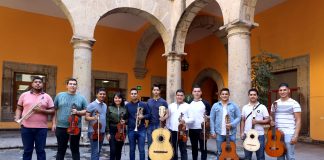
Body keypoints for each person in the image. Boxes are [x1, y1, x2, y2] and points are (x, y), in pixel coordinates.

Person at [14, 76, 55, 160]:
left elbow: (53, 111)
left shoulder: (47, 96)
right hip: (26, 128)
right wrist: (17, 117)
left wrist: (41, 110)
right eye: (36, 82)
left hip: (41, 128)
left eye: (40, 82)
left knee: (40, 151)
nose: (38, 84)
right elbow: (19, 108)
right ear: (32, 84)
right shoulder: (24, 95)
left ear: (42, 84)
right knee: (27, 150)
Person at [52, 78, 87, 160]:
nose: (72, 85)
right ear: (66, 85)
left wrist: (77, 112)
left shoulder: (81, 98)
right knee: (61, 149)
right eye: (70, 84)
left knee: (75, 149)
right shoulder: (59, 95)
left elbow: (86, 111)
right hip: (61, 127)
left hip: (75, 128)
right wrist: (54, 123)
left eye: (74, 84)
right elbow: (54, 110)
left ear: (76, 86)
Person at [270, 83, 301, 160]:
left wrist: (295, 135)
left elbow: (298, 120)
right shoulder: (275, 103)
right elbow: (272, 116)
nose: (282, 92)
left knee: (290, 156)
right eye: (280, 90)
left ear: (289, 91)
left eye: (284, 90)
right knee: (279, 155)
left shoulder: (294, 103)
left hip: (289, 132)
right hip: (278, 133)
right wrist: (271, 121)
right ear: (278, 92)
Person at [210, 88, 241, 159]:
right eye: (223, 94)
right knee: (220, 152)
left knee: (232, 151)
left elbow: (239, 117)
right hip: (219, 133)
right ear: (220, 95)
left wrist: (232, 124)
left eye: (226, 94)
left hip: (231, 133)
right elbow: (212, 118)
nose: (224, 95)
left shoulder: (234, 105)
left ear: (229, 95)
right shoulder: (215, 105)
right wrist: (212, 131)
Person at [240, 88, 270, 160]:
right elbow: (242, 121)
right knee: (247, 157)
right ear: (248, 96)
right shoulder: (245, 107)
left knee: (260, 157)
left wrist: (257, 121)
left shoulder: (262, 107)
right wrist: (241, 132)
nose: (252, 96)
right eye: (251, 95)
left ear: (257, 96)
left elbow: (268, 119)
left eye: (254, 95)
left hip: (259, 135)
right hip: (247, 134)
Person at [186, 85, 211, 160]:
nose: (197, 93)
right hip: (192, 129)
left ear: (201, 92)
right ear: (192, 93)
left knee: (203, 148)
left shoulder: (205, 103)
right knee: (194, 148)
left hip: (202, 129)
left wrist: (207, 118)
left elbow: (210, 115)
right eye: (195, 91)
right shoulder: (189, 103)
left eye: (198, 91)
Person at [124, 88, 150, 160]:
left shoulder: (143, 104)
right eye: (132, 94)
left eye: (135, 93)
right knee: (132, 149)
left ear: (137, 94)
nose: (133, 95)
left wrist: (143, 116)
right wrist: (124, 121)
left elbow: (149, 115)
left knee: (141, 149)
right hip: (131, 130)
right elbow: (126, 117)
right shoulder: (127, 105)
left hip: (141, 129)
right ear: (130, 95)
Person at [147, 84, 168, 159]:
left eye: (157, 90)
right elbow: (147, 113)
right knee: (150, 144)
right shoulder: (149, 101)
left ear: (159, 91)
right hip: (150, 126)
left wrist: (164, 117)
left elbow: (167, 113)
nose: (156, 91)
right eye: (154, 90)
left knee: (159, 145)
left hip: (159, 125)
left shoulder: (163, 101)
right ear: (152, 91)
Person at [166, 89, 189, 160]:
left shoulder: (188, 106)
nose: (180, 97)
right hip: (172, 130)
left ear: (184, 96)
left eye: (181, 95)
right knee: (173, 149)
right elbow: (168, 117)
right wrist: (167, 127)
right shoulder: (171, 106)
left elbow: (192, 118)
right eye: (178, 95)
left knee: (183, 149)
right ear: (176, 96)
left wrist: (185, 121)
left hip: (183, 131)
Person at [85, 88, 108, 160]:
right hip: (93, 131)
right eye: (100, 94)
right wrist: (94, 118)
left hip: (102, 132)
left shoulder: (105, 105)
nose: (102, 95)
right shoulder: (91, 105)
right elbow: (86, 118)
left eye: (104, 94)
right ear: (97, 94)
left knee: (98, 151)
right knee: (95, 151)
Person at [106, 92, 127, 160]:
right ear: (113, 99)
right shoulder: (109, 108)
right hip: (112, 130)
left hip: (121, 130)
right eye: (115, 98)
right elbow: (107, 121)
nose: (117, 99)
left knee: (118, 150)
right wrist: (107, 133)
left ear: (122, 99)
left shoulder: (125, 108)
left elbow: (128, 119)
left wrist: (125, 121)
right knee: (113, 150)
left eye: (119, 98)